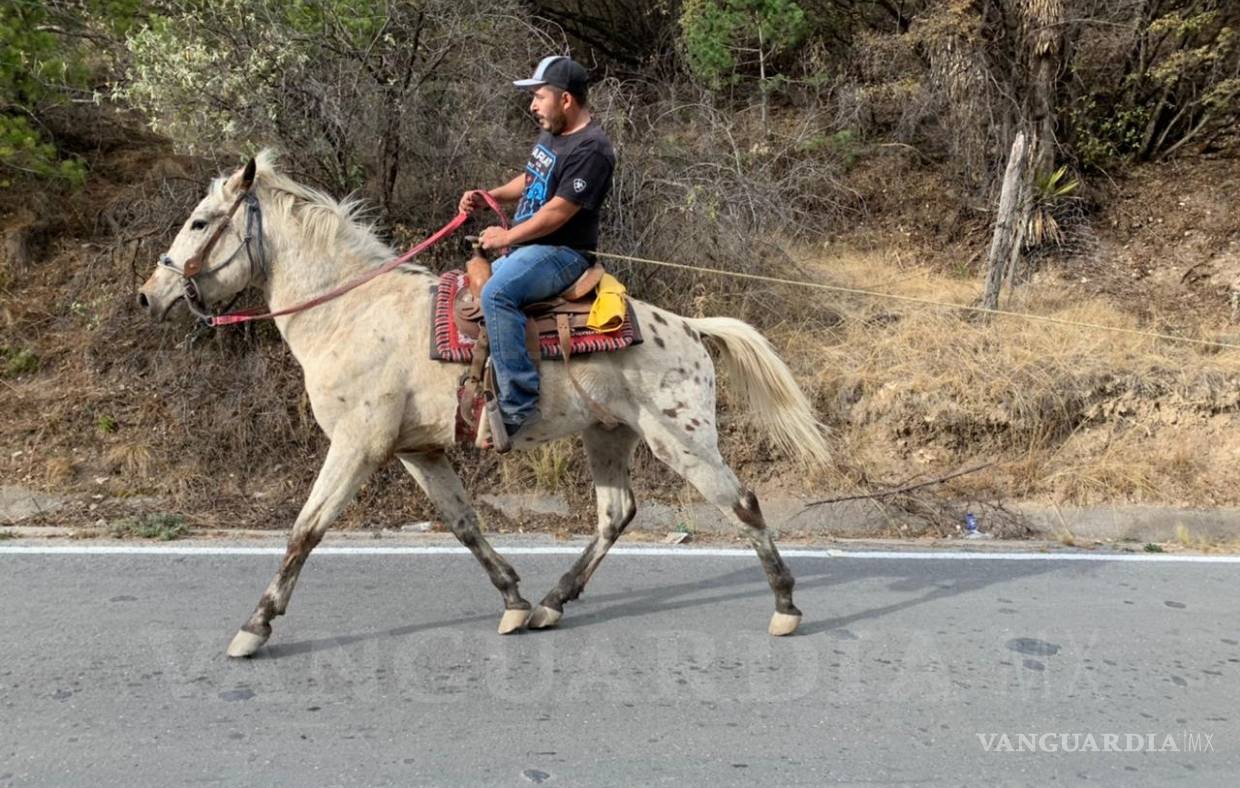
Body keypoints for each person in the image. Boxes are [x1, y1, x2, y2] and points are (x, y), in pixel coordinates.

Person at [459, 55, 616, 441]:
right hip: (533, 246)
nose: (532, 105)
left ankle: (517, 404)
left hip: (562, 253)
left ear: (565, 100)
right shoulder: (554, 133)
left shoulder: (592, 149)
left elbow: (558, 213)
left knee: (496, 293)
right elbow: (532, 178)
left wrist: (506, 237)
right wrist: (489, 195)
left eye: (539, 96)